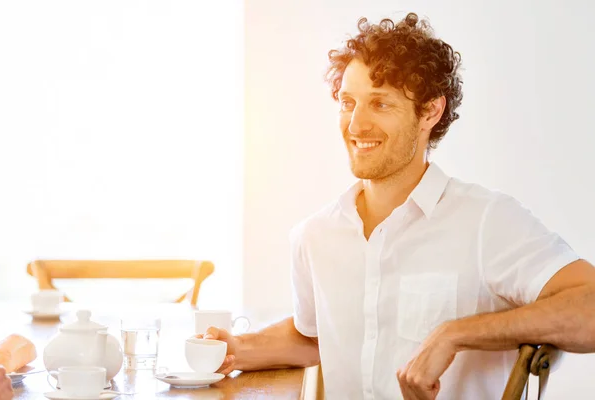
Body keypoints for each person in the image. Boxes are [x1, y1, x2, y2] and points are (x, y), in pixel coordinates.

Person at [202, 12, 595, 399]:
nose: (356, 125)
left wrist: (454, 334)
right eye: (348, 102)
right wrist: (237, 347)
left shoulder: (486, 222)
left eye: (380, 104)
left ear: (430, 112)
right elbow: (319, 337)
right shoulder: (314, 236)